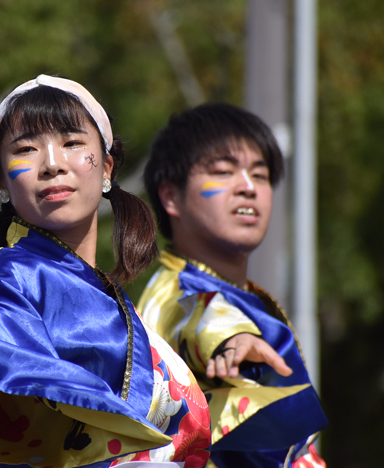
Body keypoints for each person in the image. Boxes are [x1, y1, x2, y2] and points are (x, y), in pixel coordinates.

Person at [0, 75, 212, 468]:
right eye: (26, 150)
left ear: (106, 166)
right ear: (0, 180)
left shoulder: (120, 305)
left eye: (73, 144)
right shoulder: (11, 272)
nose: (52, 164)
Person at [138, 103, 327, 468]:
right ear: (171, 196)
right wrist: (230, 339)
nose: (247, 188)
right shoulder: (175, 291)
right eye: (223, 172)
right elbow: (198, 315)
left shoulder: (249, 297)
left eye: (260, 175)